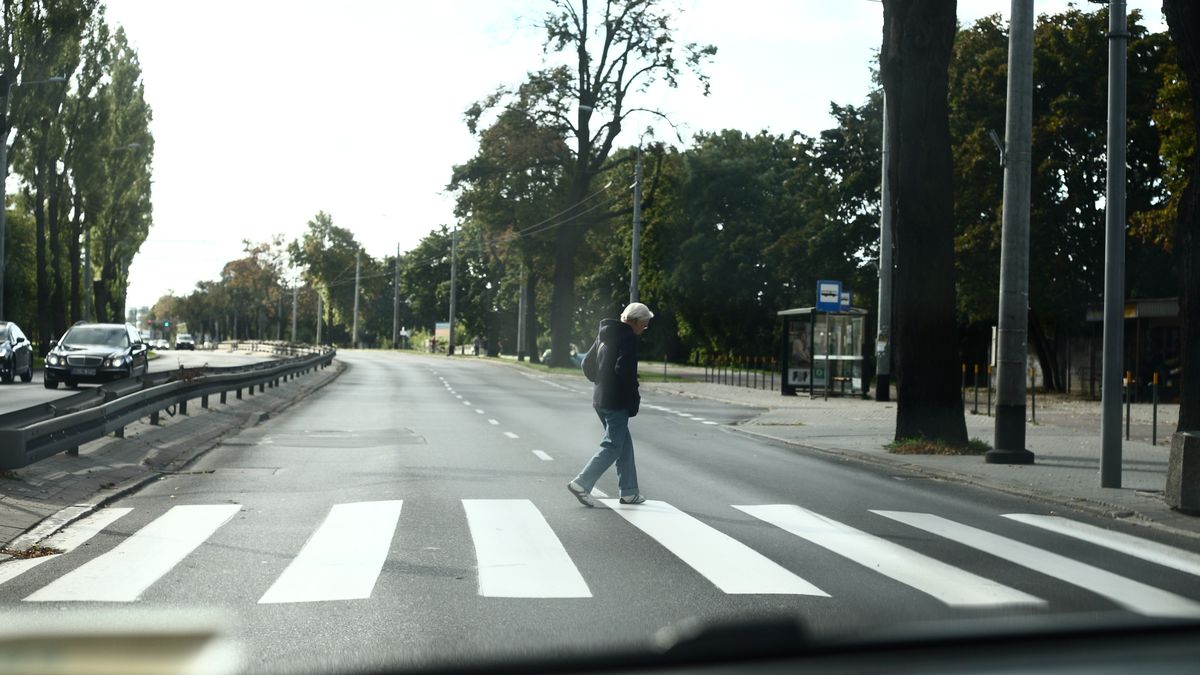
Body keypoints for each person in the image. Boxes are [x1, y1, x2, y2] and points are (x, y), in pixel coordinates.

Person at [567, 302, 654, 507]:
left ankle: (629, 491)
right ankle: (581, 483)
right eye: (644, 324)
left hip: (601, 398)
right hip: (617, 400)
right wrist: (634, 396)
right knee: (613, 446)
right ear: (635, 321)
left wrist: (601, 382)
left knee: (624, 444)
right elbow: (624, 369)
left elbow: (586, 363)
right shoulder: (628, 337)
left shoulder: (605, 334)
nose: (644, 329)